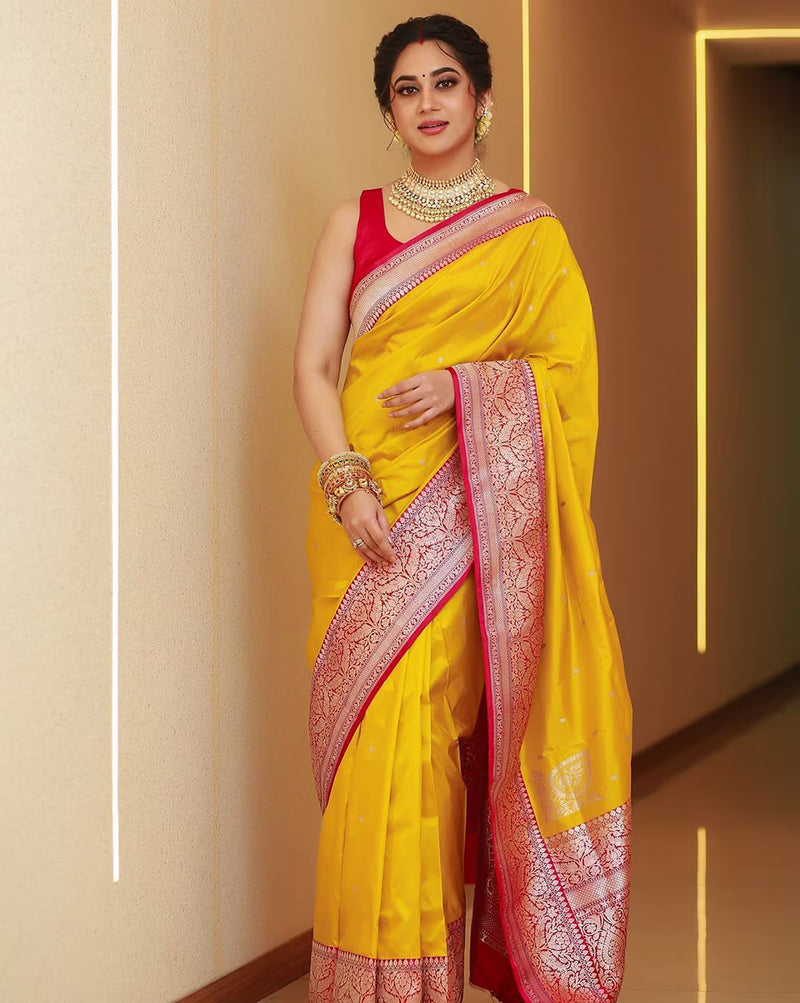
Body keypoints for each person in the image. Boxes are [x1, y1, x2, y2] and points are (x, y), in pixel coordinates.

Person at [293, 14, 632, 1003]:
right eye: (407, 88)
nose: (429, 102)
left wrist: (463, 387)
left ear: (483, 99)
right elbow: (313, 367)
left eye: (446, 82)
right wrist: (345, 479)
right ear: (387, 111)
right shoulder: (350, 221)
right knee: (365, 746)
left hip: (466, 511)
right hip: (359, 505)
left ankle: (414, 977)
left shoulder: (528, 233)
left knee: (424, 733)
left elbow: (563, 380)